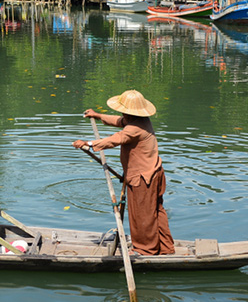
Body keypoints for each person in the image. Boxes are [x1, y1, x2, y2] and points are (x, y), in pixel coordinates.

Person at [71, 90, 175, 256]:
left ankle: (145, 250)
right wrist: (97, 115)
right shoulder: (139, 120)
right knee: (155, 211)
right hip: (155, 173)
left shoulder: (134, 128)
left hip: (143, 178)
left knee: (142, 215)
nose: (121, 113)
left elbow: (115, 139)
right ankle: (165, 247)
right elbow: (119, 121)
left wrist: (88, 143)